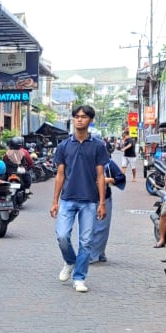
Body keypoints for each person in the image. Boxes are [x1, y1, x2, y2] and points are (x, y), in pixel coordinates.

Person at [50, 105, 110, 293]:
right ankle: (70, 261)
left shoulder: (98, 146)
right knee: (62, 236)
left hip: (90, 201)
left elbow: (101, 176)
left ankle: (79, 277)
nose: (79, 120)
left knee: (86, 241)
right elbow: (60, 175)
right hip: (67, 199)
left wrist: (102, 203)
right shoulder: (64, 146)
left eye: (83, 117)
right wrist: (55, 201)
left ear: (90, 120)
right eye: (76, 116)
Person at [90, 158, 127, 263]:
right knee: (89, 227)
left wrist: (108, 180)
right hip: (87, 199)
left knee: (102, 227)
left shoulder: (107, 163)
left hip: (104, 199)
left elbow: (120, 177)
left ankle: (94, 254)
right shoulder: (83, 161)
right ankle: (99, 252)